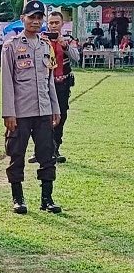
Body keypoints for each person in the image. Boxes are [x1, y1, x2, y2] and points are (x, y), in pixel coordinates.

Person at [1, 0, 62, 215]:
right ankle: (18, 198)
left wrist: (56, 108)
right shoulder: (11, 46)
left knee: (47, 154)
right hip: (20, 112)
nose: (35, 21)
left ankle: (47, 198)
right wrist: (9, 113)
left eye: (39, 18)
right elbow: (7, 82)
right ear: (23, 19)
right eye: (31, 17)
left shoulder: (46, 46)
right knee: (16, 155)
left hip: (43, 111)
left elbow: (50, 81)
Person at [30, 11, 78, 165]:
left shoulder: (68, 40)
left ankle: (55, 148)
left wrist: (65, 46)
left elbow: (76, 57)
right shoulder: (40, 39)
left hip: (62, 85)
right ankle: (40, 150)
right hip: (43, 85)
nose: (54, 26)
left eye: (57, 22)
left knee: (60, 117)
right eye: (51, 23)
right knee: (41, 118)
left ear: (62, 24)